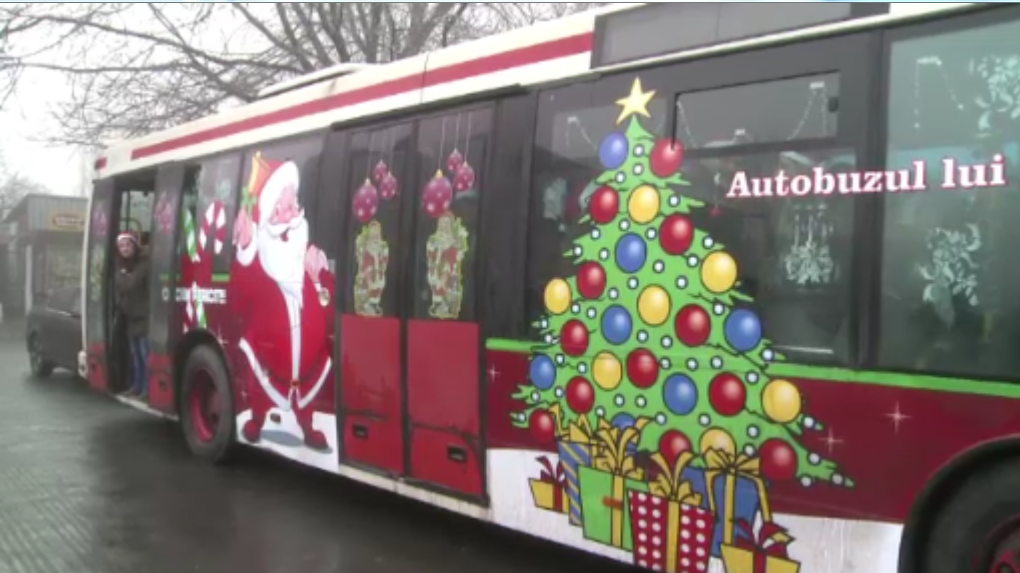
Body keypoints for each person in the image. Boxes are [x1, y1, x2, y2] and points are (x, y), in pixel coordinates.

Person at [228, 154, 336, 450]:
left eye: (295, 204)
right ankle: (257, 419)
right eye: (288, 207)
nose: (295, 212)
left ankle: (307, 427)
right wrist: (245, 248)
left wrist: (319, 279)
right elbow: (239, 297)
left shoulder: (306, 256)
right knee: (262, 389)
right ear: (271, 214)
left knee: (305, 395)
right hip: (270, 354)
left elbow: (329, 309)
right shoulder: (261, 262)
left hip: (307, 359)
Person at [114, 231, 151, 399]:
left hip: (144, 318)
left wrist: (123, 276)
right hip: (131, 317)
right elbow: (120, 287)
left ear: (135, 246)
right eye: (121, 246)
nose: (125, 249)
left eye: (128, 245)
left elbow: (129, 285)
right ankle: (137, 386)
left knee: (145, 355)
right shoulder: (121, 265)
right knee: (135, 356)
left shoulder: (143, 263)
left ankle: (147, 390)